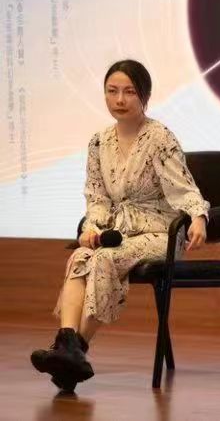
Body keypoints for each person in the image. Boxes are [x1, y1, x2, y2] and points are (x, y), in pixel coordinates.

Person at [30, 59, 210, 393]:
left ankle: (70, 352)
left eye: (129, 92)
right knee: (82, 256)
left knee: (104, 259)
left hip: (160, 232)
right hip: (118, 232)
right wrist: (91, 229)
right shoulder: (98, 142)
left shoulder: (159, 137)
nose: (120, 99)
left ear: (145, 96)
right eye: (112, 91)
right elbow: (97, 197)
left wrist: (198, 216)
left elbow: (184, 188)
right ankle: (69, 346)